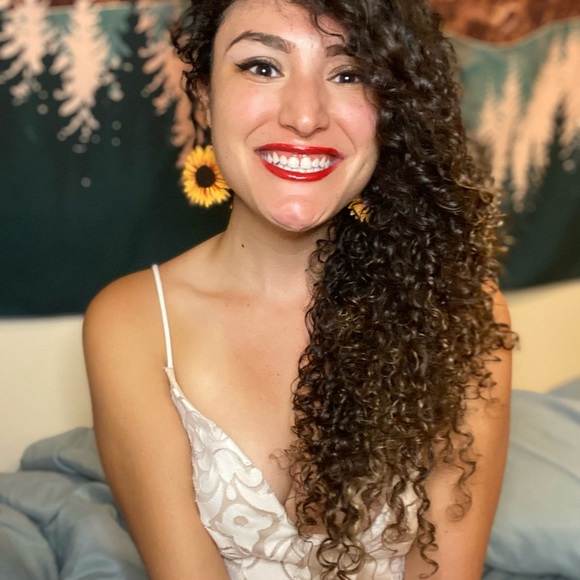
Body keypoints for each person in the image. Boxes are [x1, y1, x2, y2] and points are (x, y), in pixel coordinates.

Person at [83, 0, 514, 578]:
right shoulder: (133, 323)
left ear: (391, 108)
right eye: (262, 67)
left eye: (349, 73)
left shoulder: (461, 311)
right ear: (205, 98)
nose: (305, 116)